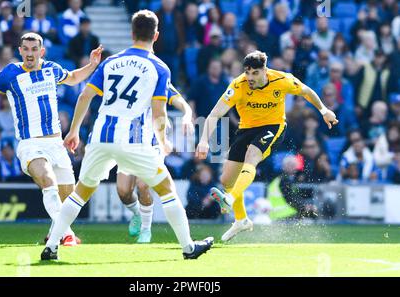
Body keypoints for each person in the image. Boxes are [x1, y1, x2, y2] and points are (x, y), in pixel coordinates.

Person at [41, 10, 213, 261]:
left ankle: (52, 246)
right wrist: (163, 140)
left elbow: (84, 96)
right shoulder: (158, 67)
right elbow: (158, 111)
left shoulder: (110, 62)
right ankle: (188, 248)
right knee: (167, 191)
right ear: (156, 35)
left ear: (132, 34)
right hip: (133, 140)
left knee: (79, 194)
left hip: (100, 137)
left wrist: (74, 130)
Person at [0, 32, 103, 246]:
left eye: (34, 49)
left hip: (56, 143)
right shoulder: (10, 74)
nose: (30, 54)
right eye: (26, 49)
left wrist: (92, 64)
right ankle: (66, 234)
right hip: (31, 144)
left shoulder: (52, 69)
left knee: (68, 199)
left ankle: (53, 234)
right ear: (20, 51)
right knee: (48, 181)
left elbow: (74, 78)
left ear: (41, 51)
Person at [195, 50, 338, 241]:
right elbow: (214, 114)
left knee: (252, 157)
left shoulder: (282, 80)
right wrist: (204, 140)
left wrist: (324, 110)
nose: (250, 77)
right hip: (246, 129)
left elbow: (306, 91)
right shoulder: (238, 85)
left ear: (264, 70)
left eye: (255, 73)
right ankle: (241, 220)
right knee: (227, 180)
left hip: (273, 126)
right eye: (247, 72)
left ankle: (229, 198)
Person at [117, 84, 194, 243]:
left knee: (143, 185)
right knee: (123, 191)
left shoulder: (159, 77)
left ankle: (146, 230)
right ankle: (138, 213)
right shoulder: (128, 77)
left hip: (154, 141)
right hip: (129, 139)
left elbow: (180, 101)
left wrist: (187, 115)